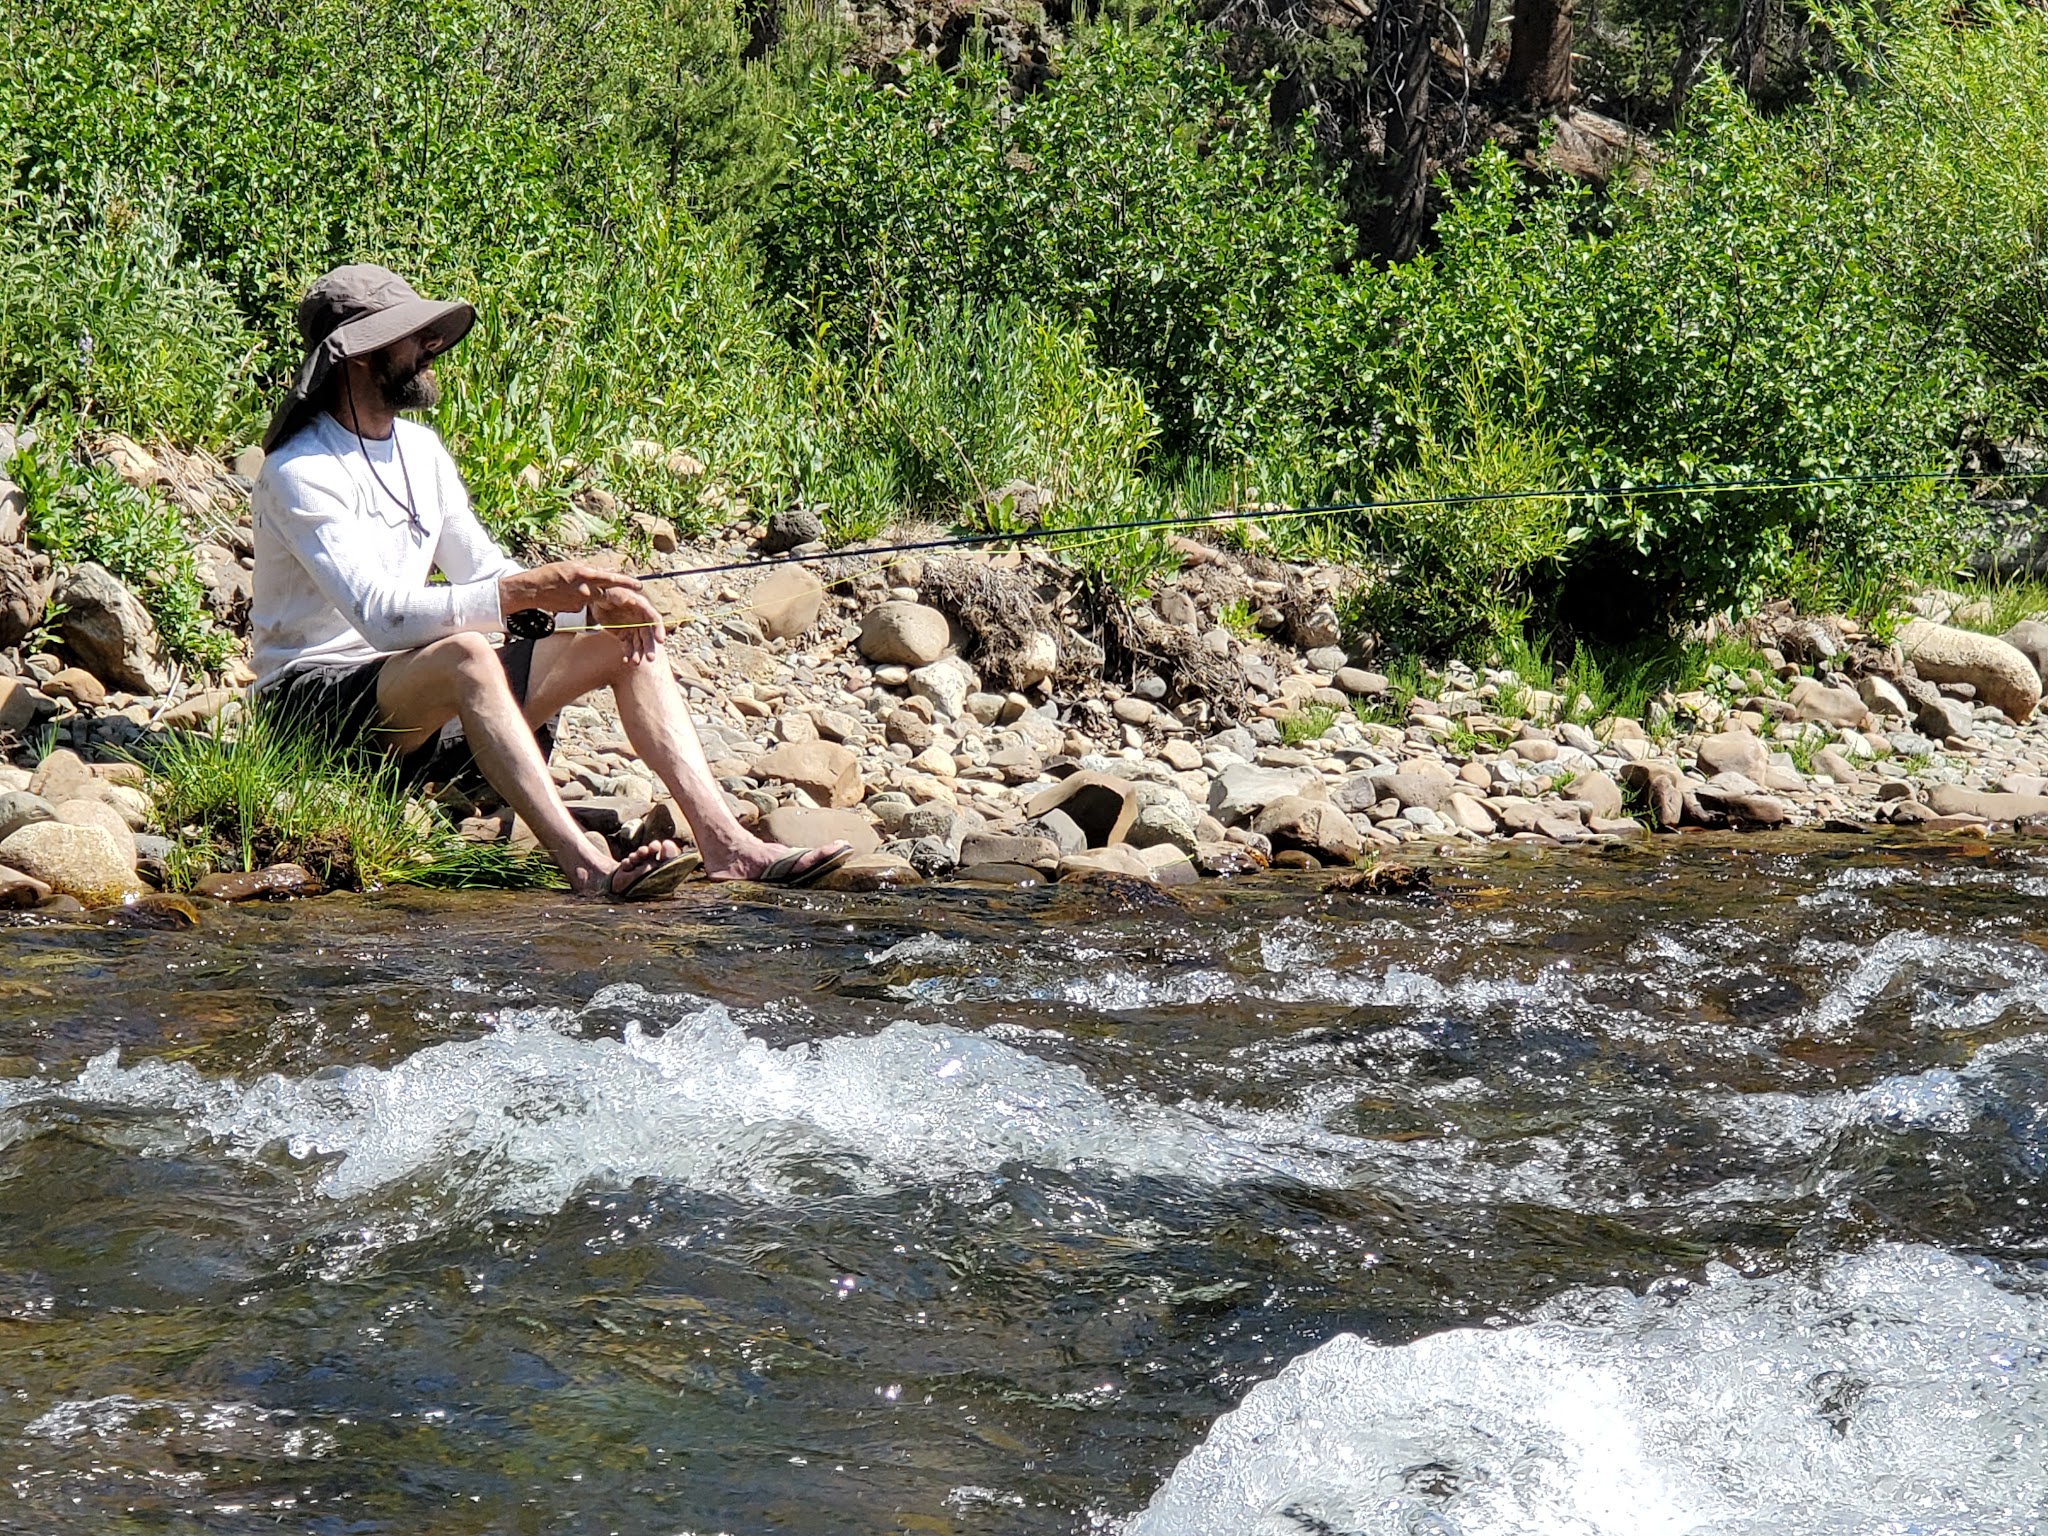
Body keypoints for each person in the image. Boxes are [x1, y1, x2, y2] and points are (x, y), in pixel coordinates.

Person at [249, 264, 849, 899]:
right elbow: (381, 618)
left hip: (420, 708)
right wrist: (526, 593)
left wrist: (589, 608)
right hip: (309, 715)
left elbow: (485, 573)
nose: (430, 346)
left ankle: (729, 846)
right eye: (411, 337)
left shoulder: (421, 452)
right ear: (360, 357)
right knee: (467, 653)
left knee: (627, 641)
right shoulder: (299, 471)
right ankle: (587, 869)